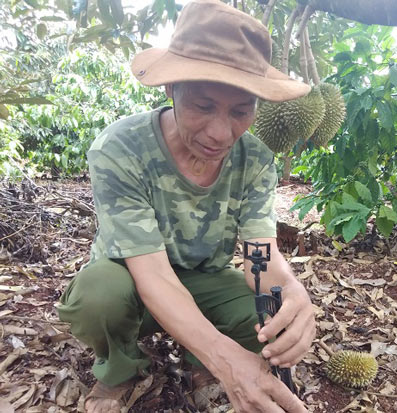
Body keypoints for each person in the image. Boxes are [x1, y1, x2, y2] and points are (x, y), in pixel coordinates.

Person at [57, 0, 316, 412]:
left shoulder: (255, 159)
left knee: (266, 314)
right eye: (203, 105)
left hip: (203, 278)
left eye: (241, 111)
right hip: (133, 279)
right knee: (97, 297)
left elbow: (260, 256)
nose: (220, 133)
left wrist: (288, 290)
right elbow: (153, 275)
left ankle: (201, 365)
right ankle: (121, 369)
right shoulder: (120, 149)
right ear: (170, 89)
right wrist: (225, 357)